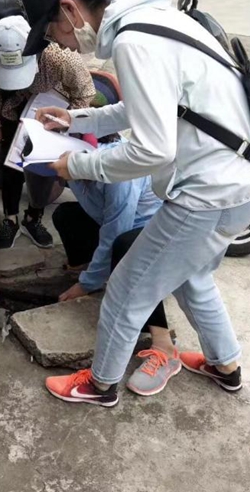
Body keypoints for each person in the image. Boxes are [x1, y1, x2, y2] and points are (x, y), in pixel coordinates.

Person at [15, 0, 250, 407]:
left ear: (70, 8)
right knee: (193, 278)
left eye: (53, 32)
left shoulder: (134, 43)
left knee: (125, 292)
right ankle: (226, 366)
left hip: (209, 194)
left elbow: (152, 150)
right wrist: (75, 120)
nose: (61, 46)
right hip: (246, 184)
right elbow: (142, 108)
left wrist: (75, 165)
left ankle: (100, 386)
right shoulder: (155, 19)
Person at [53, 137, 181, 397]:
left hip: (154, 231)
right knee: (65, 215)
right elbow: (102, 214)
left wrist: (86, 284)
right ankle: (96, 268)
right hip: (125, 223)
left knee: (126, 251)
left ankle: (163, 343)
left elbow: (116, 231)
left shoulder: (120, 174)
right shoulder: (72, 164)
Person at [0, 13, 95, 250]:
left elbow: (85, 92)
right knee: (11, 161)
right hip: (11, 106)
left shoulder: (59, 54)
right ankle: (10, 218)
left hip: (52, 110)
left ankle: (33, 217)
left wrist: (67, 124)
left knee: (42, 165)